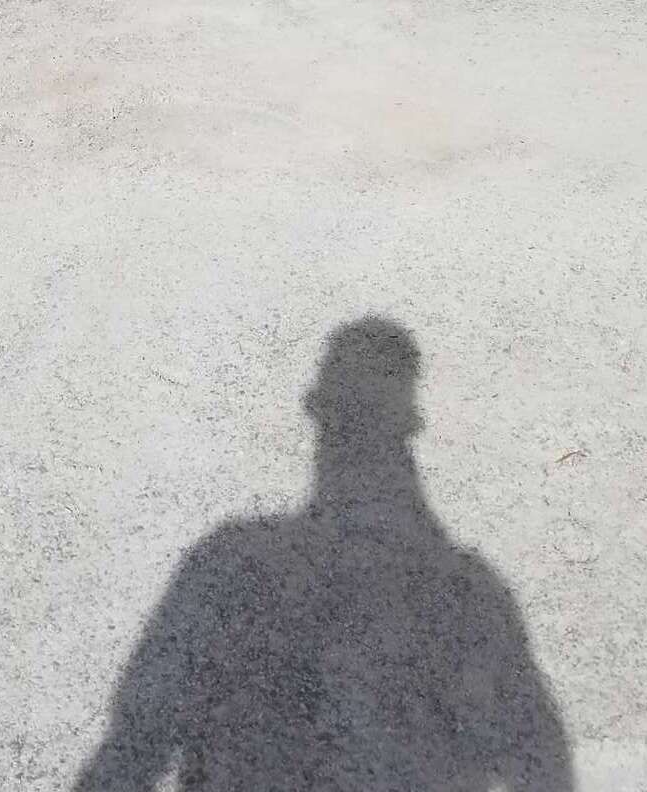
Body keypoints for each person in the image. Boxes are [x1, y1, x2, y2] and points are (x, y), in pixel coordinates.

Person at [76, 318, 574, 791]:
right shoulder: (465, 596)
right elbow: (542, 767)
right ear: (409, 428)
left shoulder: (231, 569)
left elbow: (132, 752)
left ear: (318, 414)